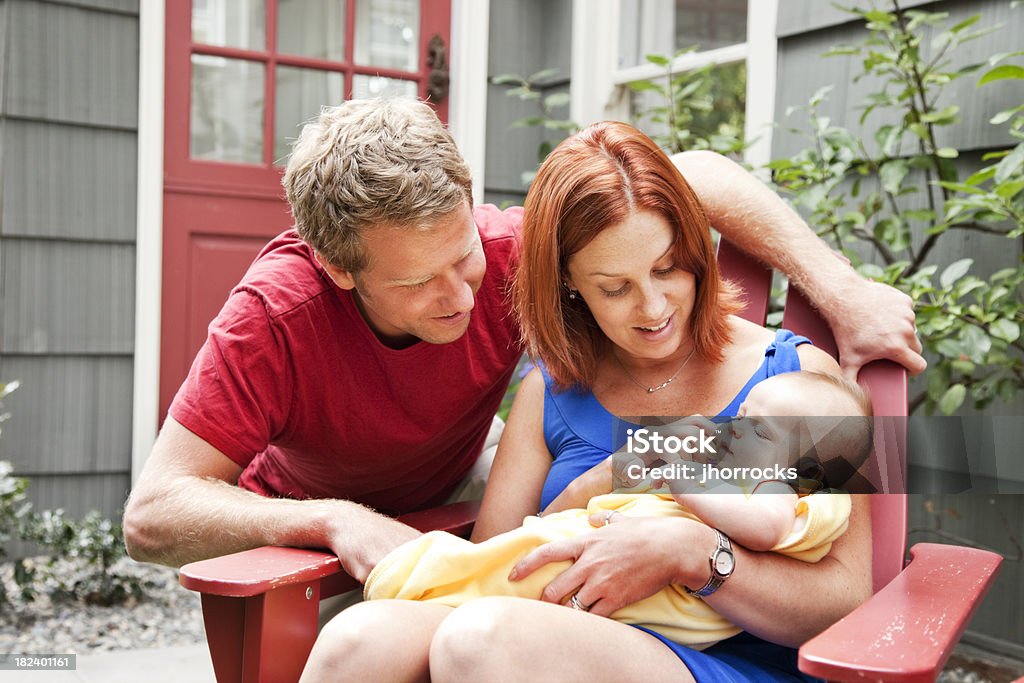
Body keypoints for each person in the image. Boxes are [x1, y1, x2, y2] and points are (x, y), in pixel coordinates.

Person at [124, 99, 917, 591]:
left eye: (462, 253)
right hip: (309, 511)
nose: (463, 296)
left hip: (467, 473)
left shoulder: (510, 253)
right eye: (416, 283)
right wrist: (331, 519)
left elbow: (688, 174)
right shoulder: (276, 317)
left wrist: (840, 289)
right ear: (337, 268)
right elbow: (152, 514)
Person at [300, 121, 878, 683]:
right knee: (361, 639)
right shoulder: (550, 392)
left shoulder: (798, 380)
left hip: (732, 661)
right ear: (571, 283)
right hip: (555, 628)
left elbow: (846, 600)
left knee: (480, 640)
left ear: (697, 256)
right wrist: (593, 487)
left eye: (666, 268)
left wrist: (696, 551)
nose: (652, 308)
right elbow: (499, 559)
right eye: (615, 287)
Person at [360, 370, 872, 651]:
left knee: (482, 627)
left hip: (677, 632)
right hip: (591, 566)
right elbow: (503, 530)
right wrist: (619, 471)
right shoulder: (552, 384)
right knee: (360, 635)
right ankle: (437, 579)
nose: (733, 429)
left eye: (756, 429)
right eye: (739, 416)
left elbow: (768, 530)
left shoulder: (782, 485)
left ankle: (430, 577)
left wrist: (684, 494)